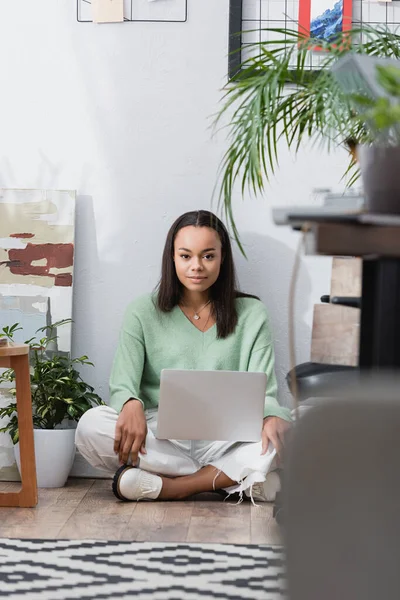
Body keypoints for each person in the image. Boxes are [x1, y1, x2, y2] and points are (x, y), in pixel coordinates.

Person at [76, 210, 291, 504]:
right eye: (186, 256)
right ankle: (231, 480)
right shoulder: (142, 311)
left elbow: (265, 392)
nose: (196, 267)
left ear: (222, 258)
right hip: (161, 438)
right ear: (172, 258)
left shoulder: (253, 314)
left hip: (227, 439)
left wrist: (272, 417)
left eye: (208, 256)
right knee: (90, 425)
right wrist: (129, 403)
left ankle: (176, 487)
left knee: (296, 427)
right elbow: (122, 383)